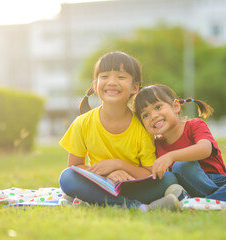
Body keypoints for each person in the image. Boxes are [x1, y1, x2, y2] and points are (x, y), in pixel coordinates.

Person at [58, 52, 180, 211]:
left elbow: (149, 173)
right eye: (105, 76)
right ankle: (137, 207)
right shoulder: (82, 123)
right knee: (67, 178)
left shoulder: (141, 127)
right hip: (100, 184)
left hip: (132, 185)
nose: (112, 82)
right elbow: (75, 167)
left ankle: (95, 200)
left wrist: (118, 165)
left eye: (121, 77)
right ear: (96, 85)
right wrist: (107, 175)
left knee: (168, 179)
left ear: (135, 87)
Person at [134, 84, 226, 203]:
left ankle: (208, 202)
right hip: (188, 188)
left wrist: (171, 156)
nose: (153, 116)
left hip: (217, 182)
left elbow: (205, 149)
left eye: (158, 107)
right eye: (145, 115)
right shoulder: (155, 145)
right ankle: (217, 201)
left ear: (175, 107)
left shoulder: (195, 125)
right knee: (175, 173)